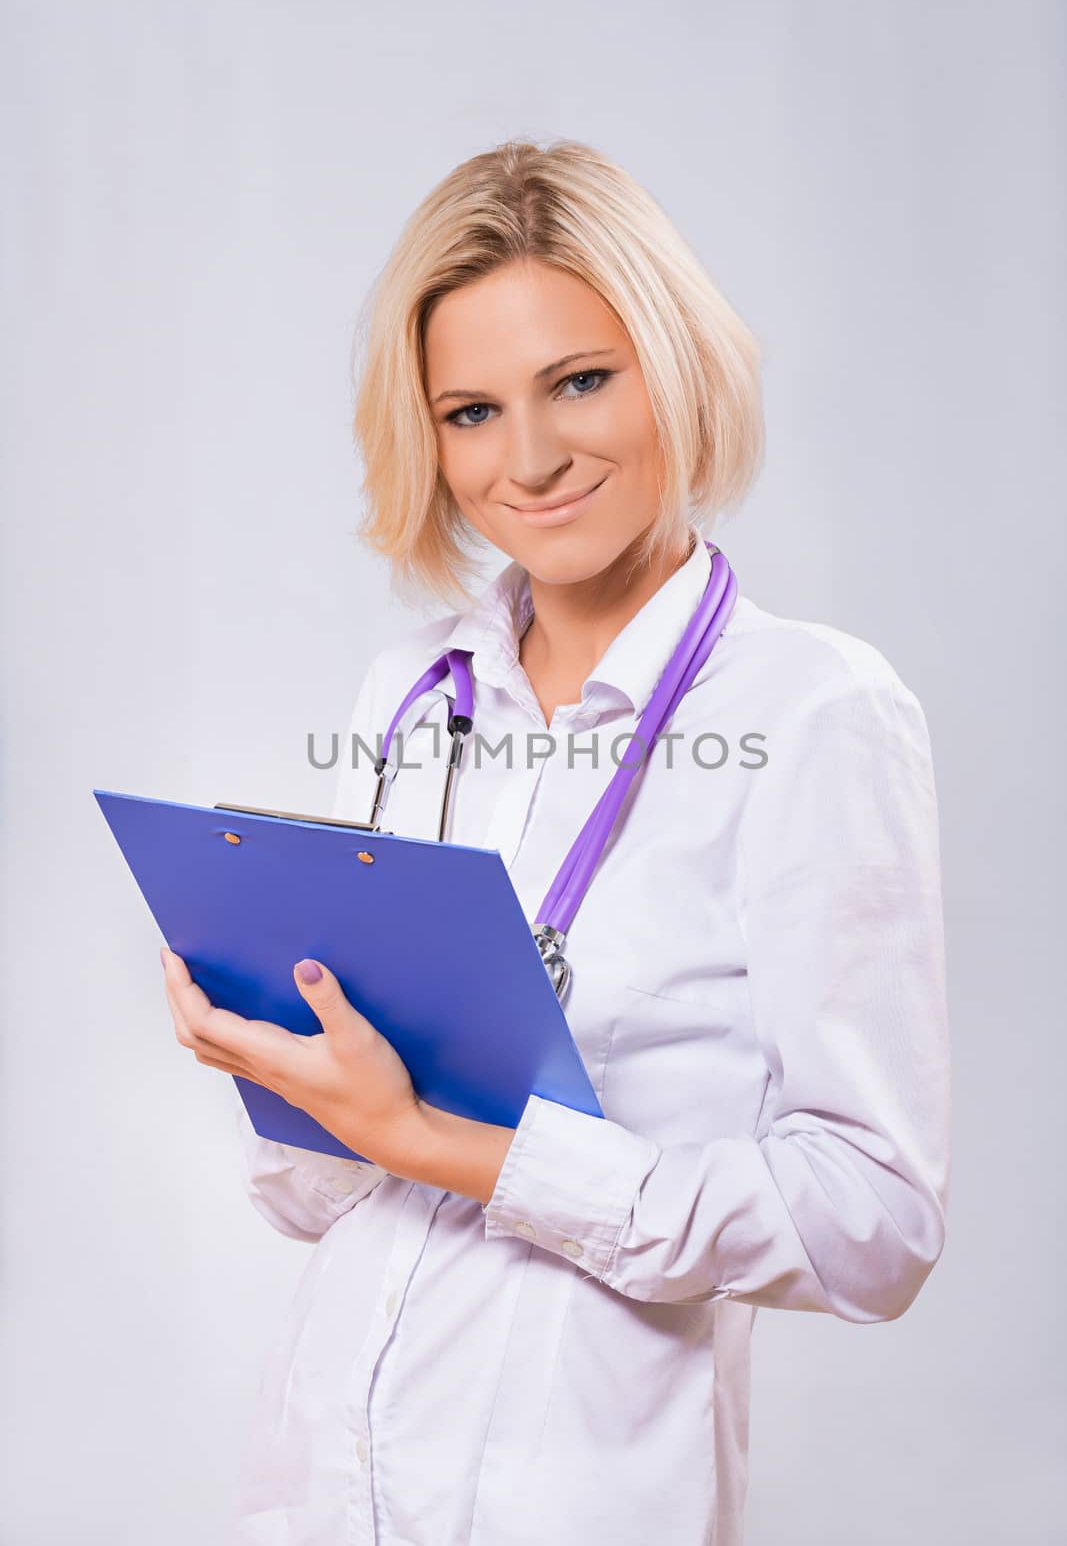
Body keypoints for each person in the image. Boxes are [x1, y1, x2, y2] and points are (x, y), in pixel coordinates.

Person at [161, 137, 951, 1546]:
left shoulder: (815, 711)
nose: (527, 459)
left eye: (580, 381)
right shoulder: (414, 694)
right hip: (321, 1481)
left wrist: (460, 1146)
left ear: (676, 367)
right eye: (470, 410)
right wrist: (275, 1054)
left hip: (573, 1493)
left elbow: (872, 1224)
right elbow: (322, 1195)